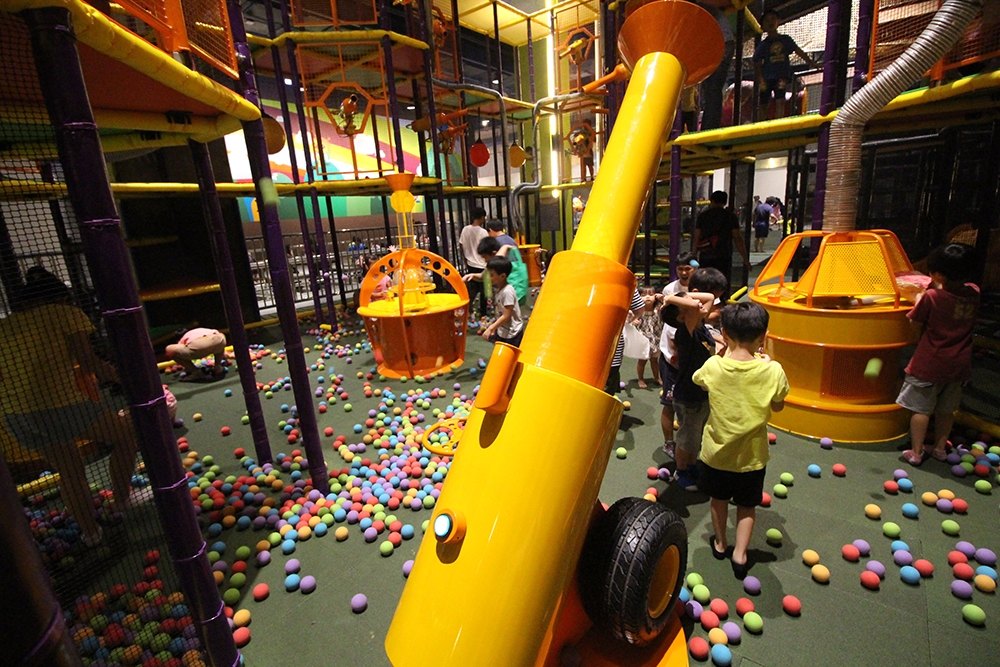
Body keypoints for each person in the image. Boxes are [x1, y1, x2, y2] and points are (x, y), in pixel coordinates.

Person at [0, 268, 137, 547]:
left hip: (14, 414)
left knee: (70, 468)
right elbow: (89, 363)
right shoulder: (65, 313)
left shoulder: (6, 324)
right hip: (58, 406)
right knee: (126, 434)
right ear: (62, 298)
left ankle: (91, 534)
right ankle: (123, 499)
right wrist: (130, 379)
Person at [693, 302, 789, 579]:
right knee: (747, 505)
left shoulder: (713, 366)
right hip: (752, 457)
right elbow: (778, 405)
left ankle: (721, 544)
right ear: (763, 336)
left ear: (724, 332)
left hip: (716, 452)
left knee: (718, 499)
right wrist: (765, 365)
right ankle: (741, 554)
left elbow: (700, 382)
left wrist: (723, 354)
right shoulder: (773, 370)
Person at [899, 243, 980, 466]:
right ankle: (940, 449)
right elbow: (956, 293)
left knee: (920, 409)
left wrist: (920, 298)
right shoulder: (974, 292)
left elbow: (915, 324)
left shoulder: (932, 297)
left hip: (929, 363)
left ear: (938, 274)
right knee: (946, 410)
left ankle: (916, 452)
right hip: (959, 365)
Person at [666, 267, 728, 490]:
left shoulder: (700, 326)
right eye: (692, 305)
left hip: (702, 393)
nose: (699, 304)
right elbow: (695, 305)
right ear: (683, 317)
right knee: (687, 438)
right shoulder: (685, 332)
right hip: (688, 396)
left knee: (696, 436)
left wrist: (684, 297)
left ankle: (692, 466)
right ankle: (681, 471)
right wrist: (670, 298)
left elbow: (710, 297)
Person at [660, 252, 699, 457]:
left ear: (695, 268)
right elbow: (666, 319)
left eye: (688, 269)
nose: (684, 273)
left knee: (692, 406)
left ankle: (689, 444)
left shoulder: (701, 287)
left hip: (692, 360)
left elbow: (714, 309)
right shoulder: (670, 289)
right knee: (669, 404)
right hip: (671, 358)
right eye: (680, 269)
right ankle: (669, 443)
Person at [753, 10, 819, 119]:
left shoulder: (785, 40)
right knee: (763, 103)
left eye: (773, 19)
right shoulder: (763, 45)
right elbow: (757, 62)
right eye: (767, 21)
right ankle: (760, 125)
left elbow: (799, 51)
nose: (770, 22)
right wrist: (761, 79)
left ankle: (778, 123)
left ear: (778, 21)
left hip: (781, 76)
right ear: (762, 25)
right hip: (767, 78)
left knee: (780, 100)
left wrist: (812, 63)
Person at [693, 190, 750, 284]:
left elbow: (697, 237)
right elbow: (737, 238)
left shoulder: (703, 216)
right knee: (722, 281)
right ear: (725, 202)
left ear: (712, 201)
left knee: (705, 280)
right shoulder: (730, 216)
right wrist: (745, 258)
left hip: (706, 254)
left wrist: (694, 255)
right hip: (724, 255)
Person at [696, 0, 735, 130]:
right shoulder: (704, 8)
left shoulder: (696, 10)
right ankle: (710, 125)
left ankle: (709, 126)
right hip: (723, 42)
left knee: (712, 88)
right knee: (713, 88)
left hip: (720, 44)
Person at [607, 289, 651, 395]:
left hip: (578, 343)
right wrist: (627, 319)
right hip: (612, 341)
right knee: (609, 376)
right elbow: (639, 309)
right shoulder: (622, 284)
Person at [465, 236, 530, 306]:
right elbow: (483, 276)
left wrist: (504, 247)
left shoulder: (500, 265)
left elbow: (497, 257)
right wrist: (472, 275)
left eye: (485, 257)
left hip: (511, 296)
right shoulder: (494, 265)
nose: (485, 260)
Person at [481, 256, 525, 347]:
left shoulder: (507, 292)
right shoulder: (499, 288)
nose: (488, 277)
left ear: (502, 276)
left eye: (491, 275)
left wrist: (491, 328)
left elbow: (506, 316)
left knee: (511, 353)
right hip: (503, 330)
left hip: (512, 333)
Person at [459, 207, 489, 316]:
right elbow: (487, 248)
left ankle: (468, 310)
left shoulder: (465, 230)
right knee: (485, 291)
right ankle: (483, 313)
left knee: (472, 290)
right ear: (481, 218)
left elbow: (461, 245)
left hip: (470, 264)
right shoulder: (483, 232)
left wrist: (465, 260)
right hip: (482, 264)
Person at [634, 286, 663, 389]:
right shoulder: (639, 311)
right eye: (643, 295)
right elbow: (630, 318)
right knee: (642, 361)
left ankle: (656, 377)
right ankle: (640, 379)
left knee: (654, 360)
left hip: (656, 339)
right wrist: (634, 321)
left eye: (651, 294)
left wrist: (662, 298)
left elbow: (668, 306)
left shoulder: (658, 309)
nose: (647, 297)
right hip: (644, 340)